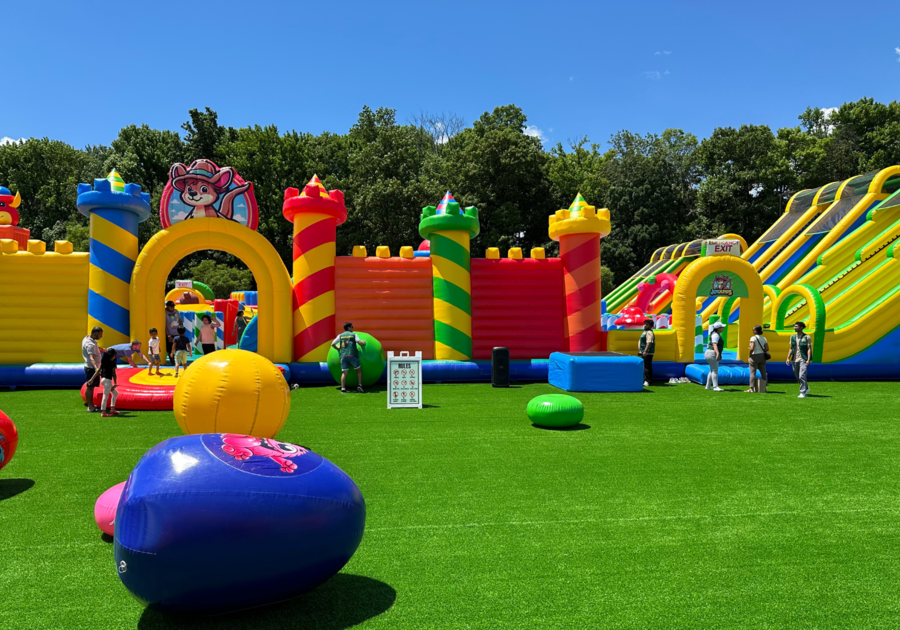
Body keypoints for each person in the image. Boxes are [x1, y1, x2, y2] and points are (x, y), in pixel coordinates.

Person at [332, 322, 367, 393]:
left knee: (344, 373)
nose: (353, 328)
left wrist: (338, 348)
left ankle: (343, 388)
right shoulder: (354, 335)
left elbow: (332, 344)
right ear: (349, 328)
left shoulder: (340, 335)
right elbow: (359, 343)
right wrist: (363, 342)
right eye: (352, 327)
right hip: (352, 355)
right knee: (359, 370)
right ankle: (359, 385)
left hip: (343, 356)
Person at [88, 347, 119, 417]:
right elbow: (114, 374)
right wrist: (115, 383)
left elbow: (98, 371)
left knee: (115, 393)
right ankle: (103, 412)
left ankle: (112, 408)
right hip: (107, 381)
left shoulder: (104, 362)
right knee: (105, 396)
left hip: (103, 380)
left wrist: (91, 379)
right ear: (113, 355)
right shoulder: (112, 363)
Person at [786, 321, 812, 398]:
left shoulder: (807, 337)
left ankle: (802, 392)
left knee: (802, 375)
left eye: (796, 326)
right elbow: (791, 348)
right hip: (794, 359)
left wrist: (808, 359)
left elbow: (809, 349)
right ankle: (806, 387)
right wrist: (788, 358)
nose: (795, 327)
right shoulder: (792, 337)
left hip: (803, 359)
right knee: (797, 375)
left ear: (801, 327)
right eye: (795, 326)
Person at [81, 326, 103, 412]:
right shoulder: (90, 344)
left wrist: (101, 350)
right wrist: (96, 369)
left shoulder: (87, 338)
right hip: (91, 368)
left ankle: (91, 405)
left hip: (90, 367)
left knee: (91, 386)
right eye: (100, 335)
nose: (101, 336)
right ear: (96, 334)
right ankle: (90, 407)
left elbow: (94, 349)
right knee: (90, 387)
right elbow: (91, 358)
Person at [747, 325, 769, 393]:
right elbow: (767, 348)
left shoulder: (753, 338)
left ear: (756, 331)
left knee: (753, 373)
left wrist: (749, 355)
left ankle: (751, 388)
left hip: (755, 355)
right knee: (763, 372)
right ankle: (764, 388)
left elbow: (752, 348)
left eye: (754, 330)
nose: (753, 331)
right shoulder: (764, 338)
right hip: (762, 356)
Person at [705, 321, 725, 392]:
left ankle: (708, 385)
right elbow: (714, 344)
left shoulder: (715, 334)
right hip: (712, 353)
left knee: (712, 370)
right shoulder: (716, 335)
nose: (723, 328)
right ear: (718, 328)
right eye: (722, 327)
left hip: (709, 352)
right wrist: (718, 354)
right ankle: (715, 386)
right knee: (714, 371)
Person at [164, 301, 184, 365]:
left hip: (177, 333)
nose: (172, 308)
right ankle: (173, 362)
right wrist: (168, 335)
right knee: (170, 349)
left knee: (179, 348)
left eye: (173, 307)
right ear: (167, 307)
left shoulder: (176, 311)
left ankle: (179, 361)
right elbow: (163, 325)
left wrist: (181, 331)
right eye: (170, 307)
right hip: (170, 333)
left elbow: (180, 320)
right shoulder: (164, 312)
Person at [638, 318, 655, 387]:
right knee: (645, 366)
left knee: (647, 367)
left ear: (650, 326)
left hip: (648, 353)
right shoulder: (645, 331)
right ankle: (645, 379)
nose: (645, 325)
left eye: (647, 324)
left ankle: (648, 381)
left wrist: (645, 351)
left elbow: (649, 342)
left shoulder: (649, 332)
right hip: (643, 352)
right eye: (645, 324)